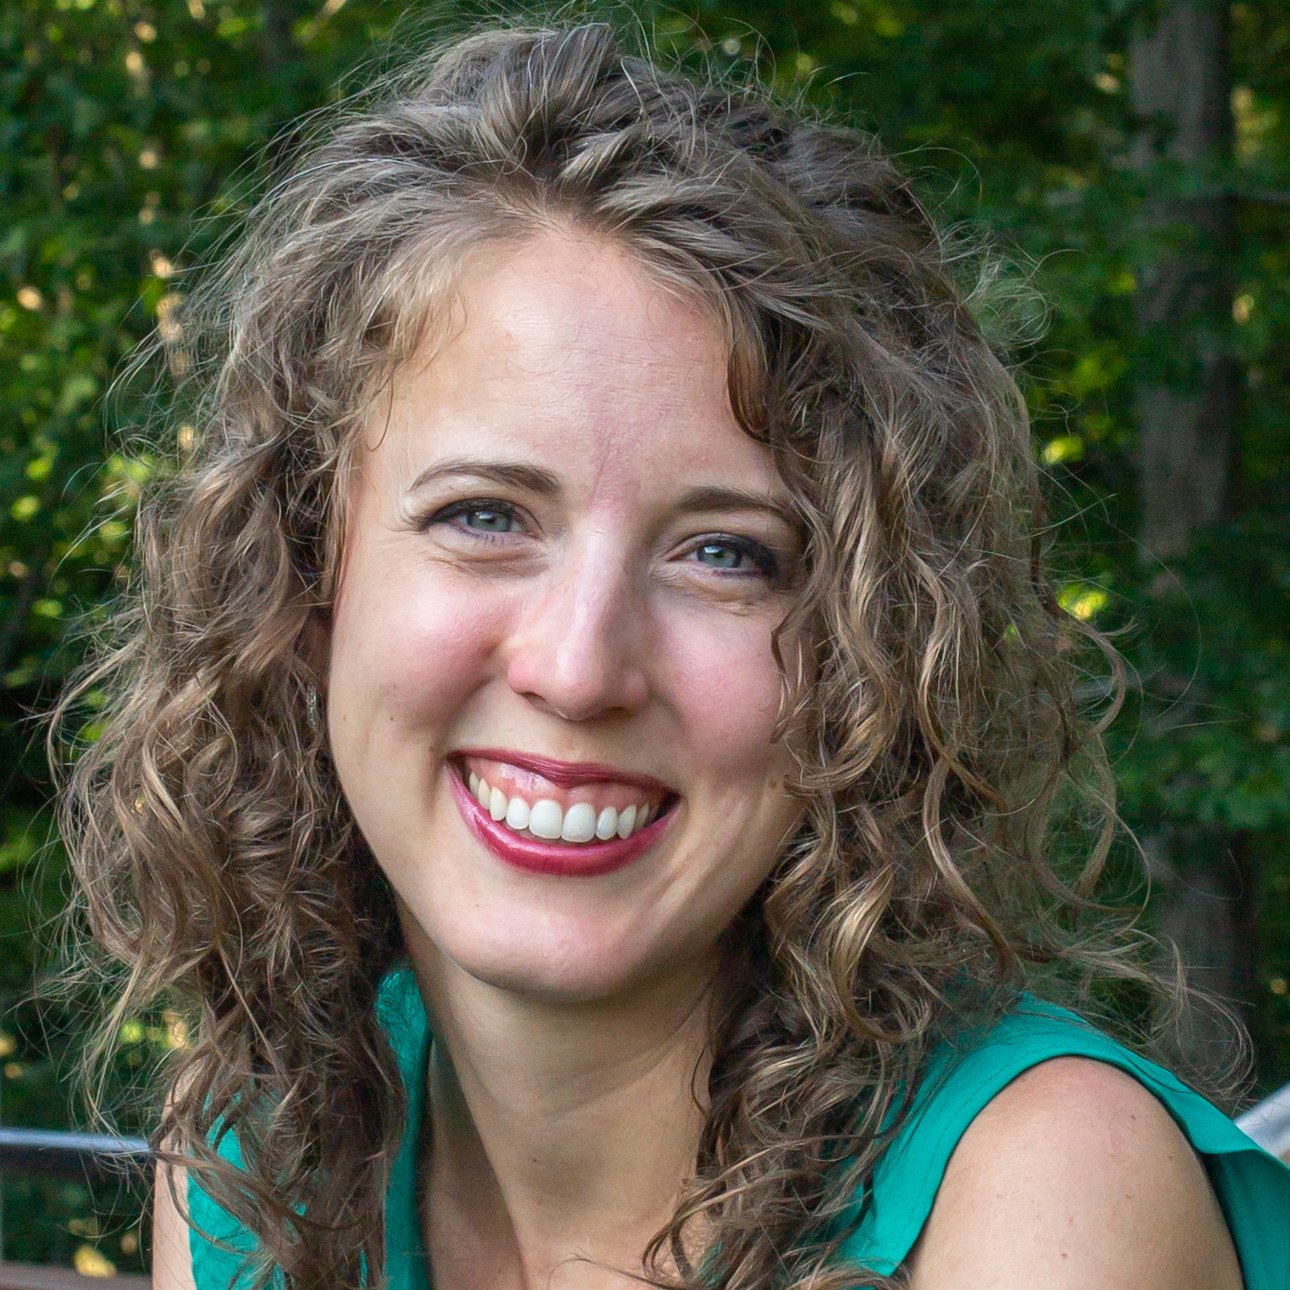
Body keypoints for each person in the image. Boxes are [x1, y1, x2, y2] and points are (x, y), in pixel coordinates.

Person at [53, 17, 1290, 1290]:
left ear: (874, 653)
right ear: (306, 584)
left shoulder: (1043, 1198)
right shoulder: (258, 1168)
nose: (581, 669)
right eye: (486, 518)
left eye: (728, 554)